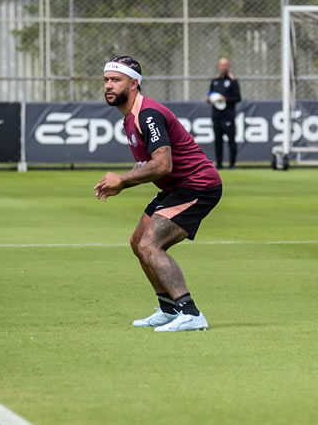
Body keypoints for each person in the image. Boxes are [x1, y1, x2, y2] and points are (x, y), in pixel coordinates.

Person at [94, 55, 223, 332]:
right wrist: (121, 181)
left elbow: (163, 164)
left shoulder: (148, 114)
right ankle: (167, 308)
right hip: (176, 187)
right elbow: (146, 163)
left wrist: (123, 181)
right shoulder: (129, 119)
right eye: (106, 80)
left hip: (198, 185)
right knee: (137, 241)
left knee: (150, 245)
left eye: (115, 80)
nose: (108, 85)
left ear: (134, 83)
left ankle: (190, 312)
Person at [207, 57, 241, 169]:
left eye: (225, 65)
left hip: (228, 116)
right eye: (221, 65)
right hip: (216, 116)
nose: (223, 67)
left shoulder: (232, 81)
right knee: (218, 141)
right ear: (219, 66)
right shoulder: (215, 81)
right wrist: (208, 99)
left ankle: (232, 164)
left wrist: (226, 99)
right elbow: (210, 94)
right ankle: (219, 164)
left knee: (231, 140)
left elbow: (238, 98)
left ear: (228, 66)